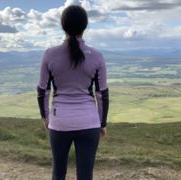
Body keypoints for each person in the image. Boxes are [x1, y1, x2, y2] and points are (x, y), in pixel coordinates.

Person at [37, 5, 109, 180]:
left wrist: (45, 116)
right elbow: (102, 94)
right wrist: (102, 122)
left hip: (59, 121)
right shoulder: (97, 56)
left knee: (58, 172)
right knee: (85, 175)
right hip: (89, 122)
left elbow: (42, 90)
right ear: (84, 26)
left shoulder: (50, 54)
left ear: (63, 26)